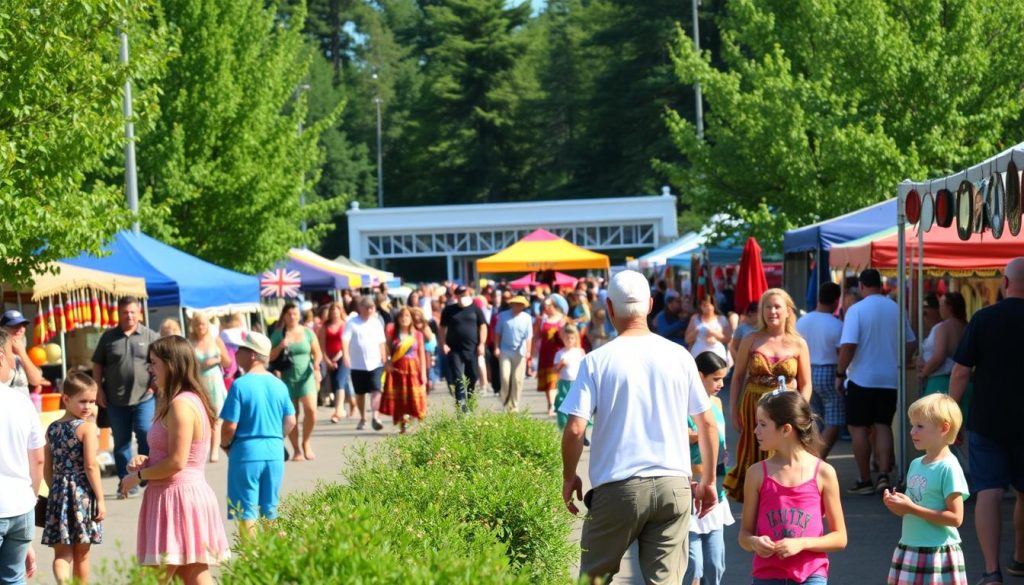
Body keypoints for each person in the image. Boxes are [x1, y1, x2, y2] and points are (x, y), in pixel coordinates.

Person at [558, 270, 719, 584]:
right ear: (650, 304)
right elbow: (708, 423)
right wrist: (709, 480)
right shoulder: (680, 356)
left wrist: (569, 475)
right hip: (674, 483)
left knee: (594, 579)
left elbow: (576, 429)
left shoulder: (596, 360)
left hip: (618, 487)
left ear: (610, 307)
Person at [119, 336, 229, 583]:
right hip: (180, 496)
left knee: (155, 579)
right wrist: (146, 461)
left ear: (171, 364)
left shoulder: (181, 404)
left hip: (176, 498)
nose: (150, 369)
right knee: (193, 575)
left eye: (154, 363)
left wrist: (136, 477)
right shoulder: (185, 400)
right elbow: (174, 456)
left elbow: (177, 462)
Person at [948, 257, 1024, 585]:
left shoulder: (983, 319)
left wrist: (951, 415)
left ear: (1005, 284)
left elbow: (961, 371)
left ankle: (991, 572)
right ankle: (1020, 556)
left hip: (987, 420)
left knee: (988, 493)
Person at [739, 391, 847, 585]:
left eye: (763, 424)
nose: (756, 431)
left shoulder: (823, 472)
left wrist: (802, 543)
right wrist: (754, 542)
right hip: (767, 575)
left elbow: (840, 537)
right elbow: (744, 535)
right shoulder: (756, 473)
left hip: (811, 576)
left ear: (786, 429)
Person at [724, 289, 812, 503]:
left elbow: (806, 383)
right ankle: (755, 509)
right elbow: (736, 378)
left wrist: (799, 411)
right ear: (761, 311)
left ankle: (784, 501)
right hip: (754, 407)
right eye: (767, 307)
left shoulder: (798, 343)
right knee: (753, 458)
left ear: (788, 311)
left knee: (784, 457)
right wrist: (733, 410)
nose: (772, 311)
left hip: (786, 410)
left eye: (777, 306)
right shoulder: (751, 339)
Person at [837, 269, 917, 495]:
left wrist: (840, 373)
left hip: (861, 377)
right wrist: (900, 360)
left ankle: (864, 479)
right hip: (889, 378)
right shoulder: (895, 308)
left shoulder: (856, 310)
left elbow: (848, 345)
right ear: (880, 285)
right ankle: (883, 474)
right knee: (883, 425)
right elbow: (911, 342)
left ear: (862, 286)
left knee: (858, 428)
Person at [883, 393, 969, 585]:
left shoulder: (949, 467)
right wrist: (897, 504)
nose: (912, 431)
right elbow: (912, 505)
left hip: (937, 552)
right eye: (913, 425)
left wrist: (911, 509)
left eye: (920, 426)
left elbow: (956, 518)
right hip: (910, 546)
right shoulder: (916, 463)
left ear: (944, 428)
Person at [219, 331, 296, 538]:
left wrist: (225, 444)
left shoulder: (240, 385)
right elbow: (291, 421)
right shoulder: (279, 385)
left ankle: (251, 560)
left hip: (246, 452)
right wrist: (276, 437)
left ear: (252, 354)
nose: (236, 353)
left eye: (241, 349)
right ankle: (273, 558)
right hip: (274, 451)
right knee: (270, 509)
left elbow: (229, 427)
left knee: (246, 510)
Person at [91, 296, 160, 497]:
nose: (129, 315)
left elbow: (162, 362)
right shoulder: (108, 337)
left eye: (132, 312)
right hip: (115, 399)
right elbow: (97, 365)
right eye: (124, 312)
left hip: (144, 397)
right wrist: (98, 389)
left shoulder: (150, 336)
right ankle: (126, 482)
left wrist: (154, 385)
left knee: (145, 432)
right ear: (119, 313)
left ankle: (147, 472)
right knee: (121, 442)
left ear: (139, 313)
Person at [41, 372, 105, 584]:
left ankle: (63, 582)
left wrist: (56, 490)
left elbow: (47, 468)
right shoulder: (86, 428)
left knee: (62, 554)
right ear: (66, 399)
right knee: (82, 553)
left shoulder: (52, 429)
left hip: (58, 494)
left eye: (92, 401)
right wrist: (100, 498)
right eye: (83, 401)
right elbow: (91, 465)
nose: (88, 406)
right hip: (82, 495)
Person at [683, 352, 735, 585]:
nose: (721, 384)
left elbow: (720, 437)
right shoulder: (681, 403)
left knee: (715, 564)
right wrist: (700, 435)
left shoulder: (716, 402)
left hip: (716, 487)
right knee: (693, 565)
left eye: (723, 378)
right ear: (699, 376)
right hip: (689, 489)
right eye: (715, 379)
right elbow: (674, 436)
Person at [0, 328, 45, 583]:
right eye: (11, 356)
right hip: (21, 505)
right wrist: (31, 499)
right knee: (14, 578)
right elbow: (38, 459)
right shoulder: (21, 402)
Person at [795, 282, 845, 458]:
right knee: (834, 419)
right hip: (829, 371)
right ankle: (818, 457)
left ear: (818, 298)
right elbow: (842, 353)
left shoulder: (802, 321)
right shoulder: (837, 324)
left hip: (805, 371)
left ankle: (810, 455)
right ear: (836, 301)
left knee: (814, 418)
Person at [269, 302, 323, 461]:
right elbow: (270, 357)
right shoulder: (278, 333)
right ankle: (297, 449)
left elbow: (317, 353)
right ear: (284, 316)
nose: (292, 317)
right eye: (289, 314)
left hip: (306, 377)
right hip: (287, 379)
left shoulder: (307, 332)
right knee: (292, 416)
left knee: (311, 411)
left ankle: (306, 442)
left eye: (295, 313)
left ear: (299, 315)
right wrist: (281, 346)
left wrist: (317, 366)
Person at [188, 311, 231, 463]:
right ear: (193, 325)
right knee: (202, 418)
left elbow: (228, 362)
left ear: (208, 325)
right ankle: (202, 450)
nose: (201, 327)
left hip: (214, 382)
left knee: (217, 419)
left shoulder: (216, 340)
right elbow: (187, 364)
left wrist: (215, 360)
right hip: (199, 382)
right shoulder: (190, 342)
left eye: (204, 324)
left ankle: (214, 451)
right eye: (198, 324)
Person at [379, 307, 428, 433]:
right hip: (397, 371)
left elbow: (422, 355)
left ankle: (414, 421)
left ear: (411, 318)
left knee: (415, 397)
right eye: (402, 316)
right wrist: (387, 363)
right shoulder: (393, 335)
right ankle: (403, 423)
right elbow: (386, 351)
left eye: (407, 316)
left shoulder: (417, 335)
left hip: (413, 370)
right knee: (401, 399)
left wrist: (423, 374)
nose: (404, 319)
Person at [439, 286, 487, 414]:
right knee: (459, 378)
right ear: (456, 296)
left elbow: (483, 327)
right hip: (454, 349)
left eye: (465, 293)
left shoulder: (476, 310)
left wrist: (482, 343)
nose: (462, 296)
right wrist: (443, 343)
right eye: (460, 294)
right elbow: (442, 328)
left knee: (473, 377)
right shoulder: (449, 310)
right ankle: (461, 407)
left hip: (472, 349)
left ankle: (469, 402)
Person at [343, 296, 387, 431]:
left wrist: (384, 356)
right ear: (360, 308)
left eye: (371, 307)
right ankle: (362, 417)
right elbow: (345, 339)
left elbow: (381, 341)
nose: (369, 310)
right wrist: (346, 355)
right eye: (366, 307)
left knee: (376, 389)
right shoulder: (352, 323)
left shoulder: (376, 322)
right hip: (358, 364)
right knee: (360, 392)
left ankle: (375, 416)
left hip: (375, 362)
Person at [917, 292, 968, 397]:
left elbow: (938, 358)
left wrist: (923, 373)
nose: (940, 309)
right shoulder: (966, 327)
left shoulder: (944, 328)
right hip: (963, 382)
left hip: (941, 382)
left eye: (941, 305)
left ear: (949, 307)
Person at [493, 295, 533, 412]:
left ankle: (514, 404)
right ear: (512, 304)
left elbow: (529, 336)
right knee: (505, 377)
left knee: (517, 379)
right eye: (516, 304)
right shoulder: (503, 316)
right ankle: (505, 400)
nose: (518, 306)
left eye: (520, 305)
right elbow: (497, 333)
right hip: (505, 350)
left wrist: (528, 351)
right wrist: (496, 347)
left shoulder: (527, 318)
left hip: (520, 351)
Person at [318, 303, 354, 424]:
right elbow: (321, 346)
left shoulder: (344, 325)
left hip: (343, 357)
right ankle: (352, 402)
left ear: (340, 312)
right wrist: (327, 360)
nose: (334, 313)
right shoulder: (325, 327)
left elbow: (346, 343)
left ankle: (338, 410)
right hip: (329, 358)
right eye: (332, 311)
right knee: (337, 384)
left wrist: (337, 357)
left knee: (340, 380)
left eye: (336, 311)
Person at [1, 310, 46, 396]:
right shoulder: (2, 354)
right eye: (14, 325)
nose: (20, 329)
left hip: (24, 407)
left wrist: (22, 353)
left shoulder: (22, 352)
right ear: (2, 329)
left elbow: (36, 380)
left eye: (23, 325)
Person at [535, 297, 566, 416]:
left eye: (548, 305)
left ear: (555, 306)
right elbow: (536, 336)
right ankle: (551, 404)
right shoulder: (542, 320)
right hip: (545, 354)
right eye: (544, 306)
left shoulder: (562, 319)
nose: (546, 308)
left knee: (558, 380)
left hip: (558, 354)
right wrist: (533, 352)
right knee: (548, 381)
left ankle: (558, 404)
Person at [552, 324, 585, 434]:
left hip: (576, 383)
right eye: (567, 338)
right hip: (564, 382)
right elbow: (555, 370)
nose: (569, 340)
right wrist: (561, 364)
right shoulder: (560, 353)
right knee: (562, 403)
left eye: (572, 338)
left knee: (577, 406)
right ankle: (564, 427)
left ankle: (580, 430)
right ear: (563, 338)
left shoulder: (580, 352)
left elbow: (584, 368)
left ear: (575, 338)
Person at [686, 295, 732, 362]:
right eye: (703, 305)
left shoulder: (722, 319)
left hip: (716, 351)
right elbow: (687, 339)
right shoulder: (695, 318)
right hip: (698, 352)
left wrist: (713, 333)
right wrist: (696, 332)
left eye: (707, 305)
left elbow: (728, 339)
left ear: (713, 306)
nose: (705, 308)